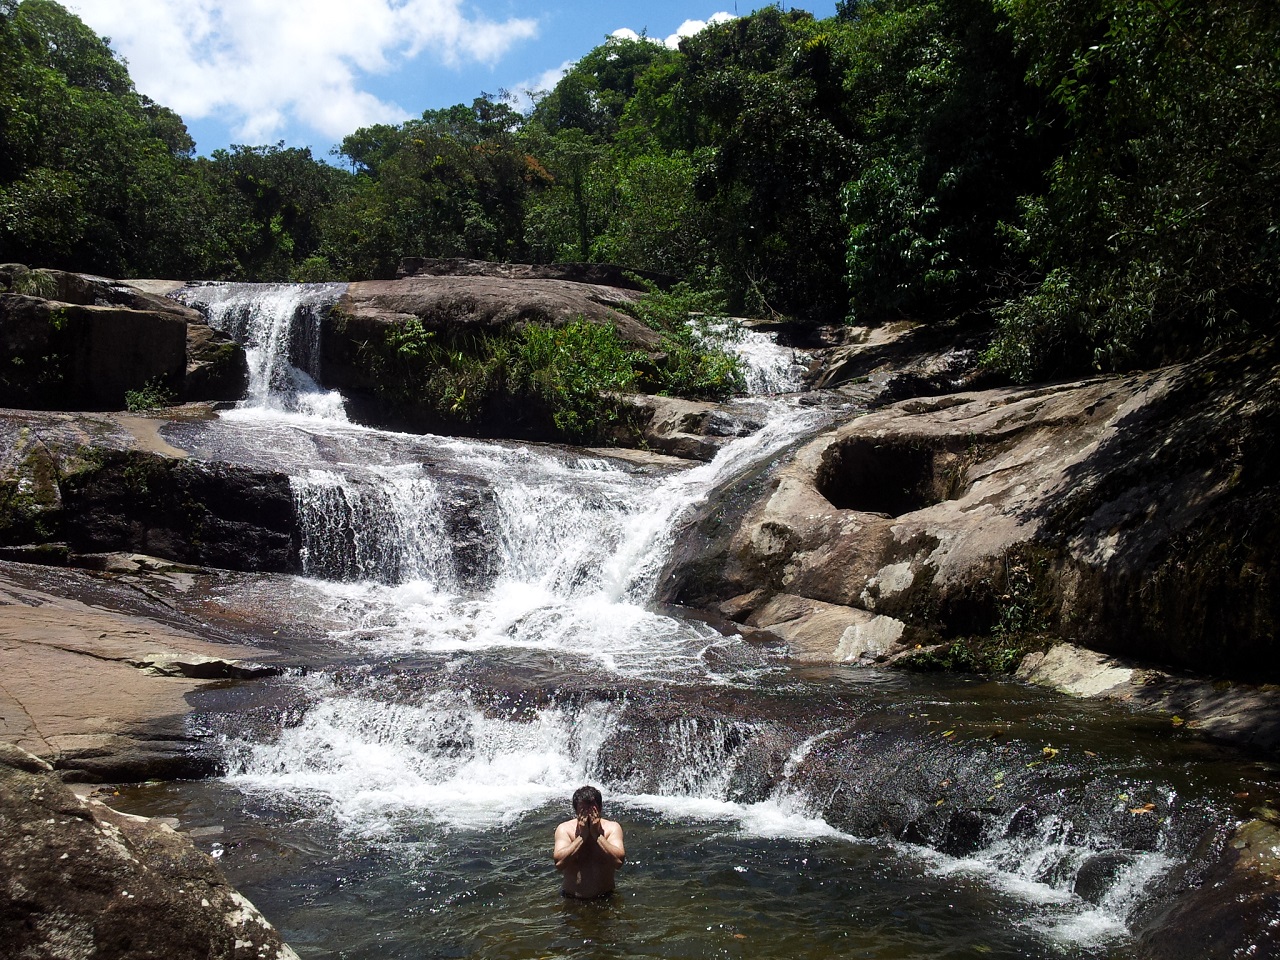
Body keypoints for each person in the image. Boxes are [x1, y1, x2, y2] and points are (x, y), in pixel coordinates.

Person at [553, 785, 625, 899]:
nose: (588, 815)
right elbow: (559, 863)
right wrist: (582, 836)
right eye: (583, 810)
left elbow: (619, 861)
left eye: (591, 810)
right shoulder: (564, 829)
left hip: (605, 898)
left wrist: (597, 835)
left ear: (600, 808)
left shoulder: (612, 828)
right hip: (572, 899)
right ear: (576, 811)